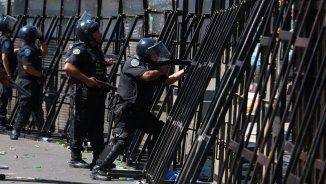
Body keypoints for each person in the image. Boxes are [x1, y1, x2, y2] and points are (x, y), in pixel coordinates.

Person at [90, 37, 188, 180]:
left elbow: (167, 81)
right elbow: (147, 76)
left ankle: (152, 166)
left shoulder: (153, 66)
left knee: (159, 130)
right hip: (126, 109)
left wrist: (185, 71)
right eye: (153, 53)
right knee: (120, 139)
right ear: (145, 54)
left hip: (140, 111)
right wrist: (161, 70)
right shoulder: (133, 62)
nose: (156, 55)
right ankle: (99, 168)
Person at [64, 17, 112, 169]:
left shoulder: (95, 49)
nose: (99, 33)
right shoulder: (80, 49)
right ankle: (75, 158)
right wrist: (86, 79)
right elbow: (69, 67)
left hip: (97, 94)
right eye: (96, 31)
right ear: (88, 35)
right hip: (83, 93)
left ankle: (99, 160)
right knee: (80, 125)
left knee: (96, 127)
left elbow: (90, 64)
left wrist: (104, 63)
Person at [10, 24, 47, 140]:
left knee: (37, 107)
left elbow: (44, 52)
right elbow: (27, 67)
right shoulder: (27, 50)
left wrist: (42, 41)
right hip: (26, 82)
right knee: (25, 107)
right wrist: (40, 74)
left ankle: (42, 131)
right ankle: (16, 130)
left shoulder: (32, 48)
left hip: (33, 82)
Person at [0, 15, 17, 131]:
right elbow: (4, 57)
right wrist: (8, 73)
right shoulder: (6, 39)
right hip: (3, 73)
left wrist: (15, 51)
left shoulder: (1, 38)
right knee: (3, 96)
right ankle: (1, 123)